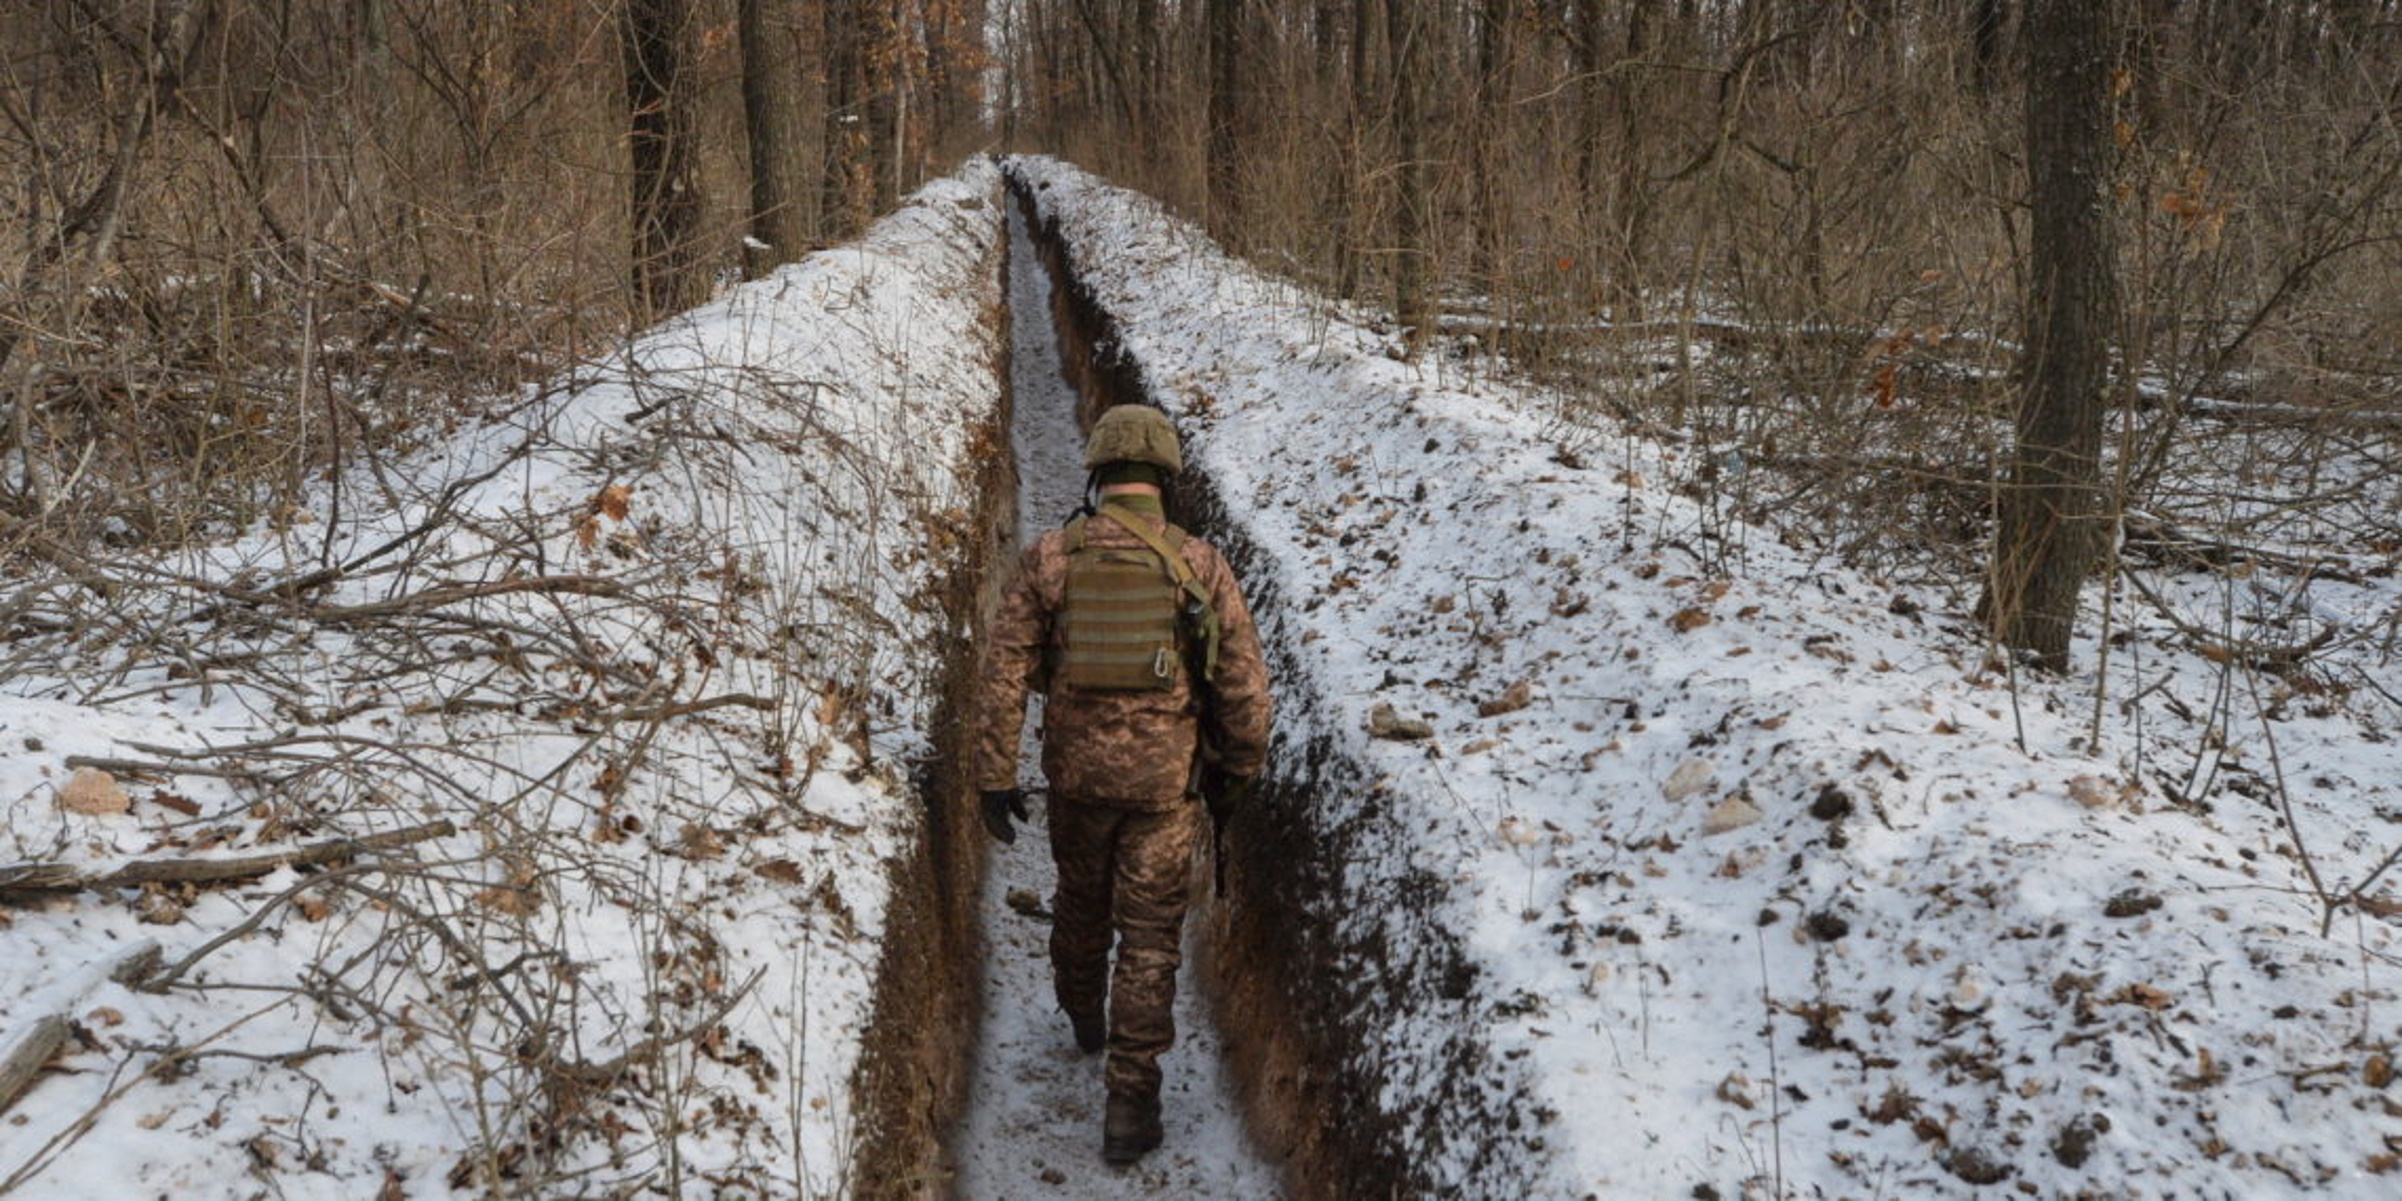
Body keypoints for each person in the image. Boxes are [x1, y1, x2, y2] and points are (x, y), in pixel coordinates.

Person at [973, 403, 1273, 1166]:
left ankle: (1082, 1014)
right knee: (1148, 940)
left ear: (1099, 473)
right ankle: (1129, 1102)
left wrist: (993, 778)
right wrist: (1234, 778)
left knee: (1079, 903)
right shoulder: (1199, 565)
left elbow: (1004, 671)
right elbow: (1244, 694)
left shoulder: (1050, 557)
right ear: (1165, 478)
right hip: (1163, 791)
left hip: (1075, 782)